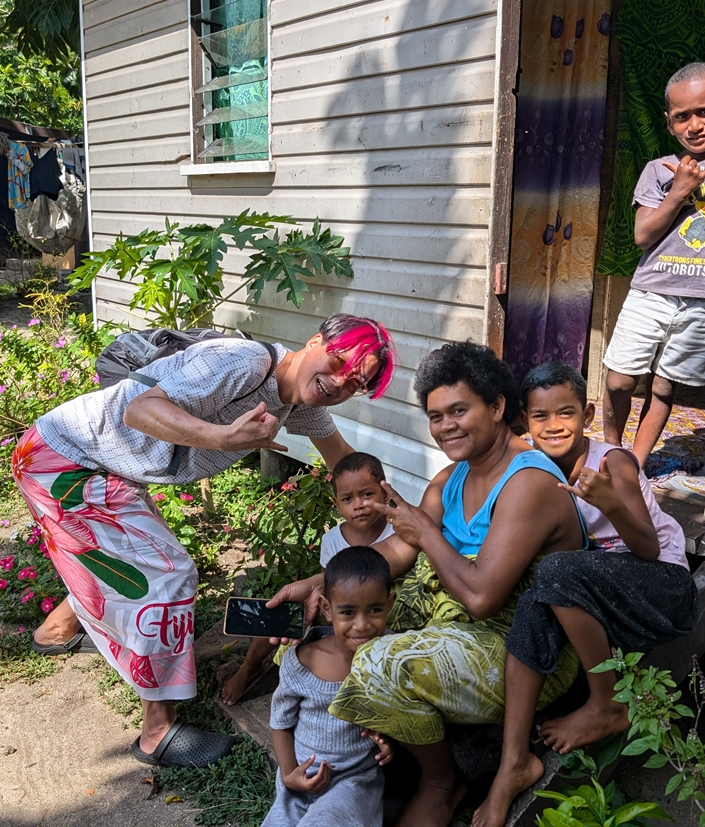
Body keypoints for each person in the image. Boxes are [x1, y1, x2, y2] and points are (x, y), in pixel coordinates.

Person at [11, 315, 396, 769]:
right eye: (336, 363)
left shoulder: (300, 401)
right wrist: (225, 436)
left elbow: (345, 462)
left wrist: (407, 515)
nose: (338, 383)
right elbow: (137, 410)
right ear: (314, 342)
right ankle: (157, 734)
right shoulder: (244, 362)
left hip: (100, 465)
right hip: (66, 462)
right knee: (167, 573)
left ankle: (56, 631)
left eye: (353, 383)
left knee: (130, 558)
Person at [271, 341, 587, 827]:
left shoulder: (529, 483)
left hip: (518, 649)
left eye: (459, 410)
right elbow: (397, 551)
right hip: (447, 625)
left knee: (376, 659)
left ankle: (442, 780)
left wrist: (427, 533)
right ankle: (361, 751)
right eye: (436, 416)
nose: (446, 426)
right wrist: (317, 583)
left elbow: (482, 597)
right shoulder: (451, 479)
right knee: (328, 632)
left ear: (498, 406)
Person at [473, 361, 698, 827]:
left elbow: (648, 548)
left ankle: (607, 704)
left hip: (664, 586)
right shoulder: (531, 469)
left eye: (566, 413)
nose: (554, 426)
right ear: (523, 419)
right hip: (604, 591)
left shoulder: (611, 461)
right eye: (541, 417)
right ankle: (512, 762)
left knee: (556, 571)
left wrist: (612, 502)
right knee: (538, 599)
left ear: (588, 414)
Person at [602, 61, 705, 465]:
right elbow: (643, 236)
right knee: (620, 379)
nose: (695, 125)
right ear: (670, 123)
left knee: (665, 386)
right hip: (651, 291)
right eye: (682, 117)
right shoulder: (660, 171)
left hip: (703, 299)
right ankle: (611, 452)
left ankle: (635, 464)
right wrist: (679, 190)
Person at [222, 451, 396, 706]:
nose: (359, 505)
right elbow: (328, 582)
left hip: (374, 611)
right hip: (338, 610)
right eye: (348, 499)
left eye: (367, 494)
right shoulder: (332, 540)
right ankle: (249, 666)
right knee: (281, 612)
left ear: (386, 494)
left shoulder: (396, 531)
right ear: (337, 504)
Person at [262, 546, 396, 827]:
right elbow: (281, 722)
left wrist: (387, 742)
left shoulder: (393, 655)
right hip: (302, 774)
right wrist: (289, 775)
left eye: (375, 610)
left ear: (390, 603)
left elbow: (397, 714)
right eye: (347, 612)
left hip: (354, 779)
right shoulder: (302, 661)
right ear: (326, 608)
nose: (362, 625)